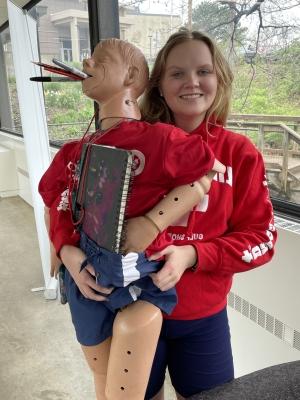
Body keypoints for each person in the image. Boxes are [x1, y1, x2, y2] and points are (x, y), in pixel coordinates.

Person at [38, 38, 225, 400]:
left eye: (101, 58)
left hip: (137, 278)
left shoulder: (159, 140)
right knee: (102, 382)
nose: (86, 61)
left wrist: (153, 222)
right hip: (84, 281)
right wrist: (64, 251)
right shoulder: (76, 150)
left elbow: (208, 171)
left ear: (132, 76)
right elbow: (55, 199)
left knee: (125, 387)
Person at [125, 29, 276, 400]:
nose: (191, 82)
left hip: (203, 318)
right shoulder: (130, 145)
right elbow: (85, 210)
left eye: (203, 71)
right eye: (177, 73)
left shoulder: (240, 153)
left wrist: (193, 254)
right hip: (132, 308)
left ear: (218, 79)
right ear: (159, 84)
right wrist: (68, 252)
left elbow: (262, 238)